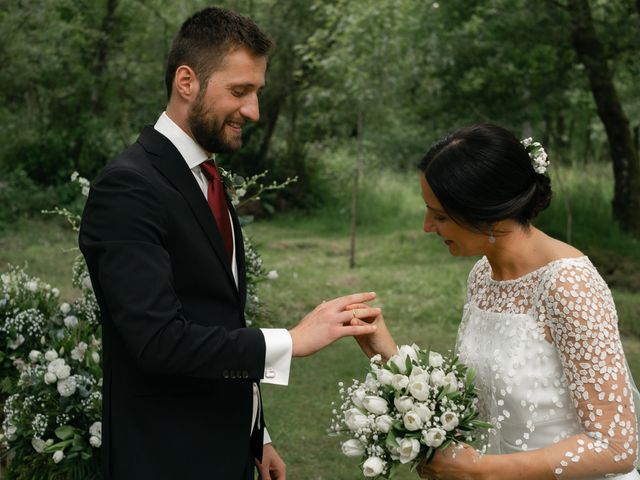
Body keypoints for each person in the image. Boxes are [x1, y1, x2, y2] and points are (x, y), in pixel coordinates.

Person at [79, 7, 379, 480]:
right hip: (167, 457)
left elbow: (217, 317)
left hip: (227, 447)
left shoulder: (207, 177)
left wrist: (257, 434)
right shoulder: (128, 188)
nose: (254, 111)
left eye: (257, 92)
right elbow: (157, 341)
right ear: (186, 82)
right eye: (239, 91)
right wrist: (291, 342)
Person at [350, 123, 639, 479]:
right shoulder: (483, 275)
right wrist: (388, 355)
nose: (427, 226)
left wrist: (481, 470)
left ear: (486, 212)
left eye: (439, 215)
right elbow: (482, 403)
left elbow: (616, 447)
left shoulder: (569, 286)